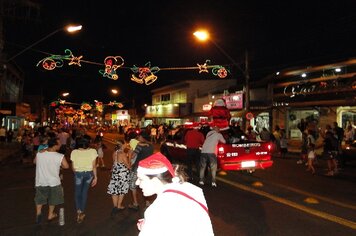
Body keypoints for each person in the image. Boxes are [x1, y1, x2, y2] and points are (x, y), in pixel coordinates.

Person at [135, 152, 214, 236]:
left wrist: (149, 225)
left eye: (141, 179)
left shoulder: (157, 209)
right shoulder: (192, 189)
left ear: (155, 181)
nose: (137, 183)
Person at [34, 137, 69, 224]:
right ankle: (50, 214)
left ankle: (38, 213)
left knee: (40, 198)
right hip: (54, 181)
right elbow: (66, 166)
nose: (60, 145)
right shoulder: (59, 156)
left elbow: (34, 162)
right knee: (53, 198)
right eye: (59, 144)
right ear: (55, 146)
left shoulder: (39, 154)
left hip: (40, 180)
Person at [70, 137, 98, 223]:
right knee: (84, 192)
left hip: (78, 173)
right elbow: (94, 166)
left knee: (77, 192)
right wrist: (95, 177)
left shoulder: (74, 152)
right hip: (89, 174)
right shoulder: (93, 151)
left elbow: (73, 167)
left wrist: (77, 174)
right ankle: (82, 211)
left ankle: (78, 211)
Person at [128, 131, 154, 210]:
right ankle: (148, 202)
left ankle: (135, 203)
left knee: (132, 185)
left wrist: (131, 151)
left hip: (137, 168)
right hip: (147, 168)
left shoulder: (139, 147)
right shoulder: (151, 146)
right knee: (145, 185)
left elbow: (132, 156)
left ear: (142, 137)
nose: (138, 138)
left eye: (139, 136)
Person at [107, 140, 130, 216]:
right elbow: (128, 166)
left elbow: (114, 163)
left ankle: (115, 206)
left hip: (115, 173)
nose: (126, 144)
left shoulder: (115, 153)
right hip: (122, 174)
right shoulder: (123, 154)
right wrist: (129, 157)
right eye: (125, 143)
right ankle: (119, 205)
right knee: (122, 190)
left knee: (114, 189)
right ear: (122, 145)